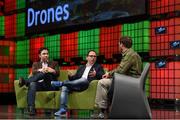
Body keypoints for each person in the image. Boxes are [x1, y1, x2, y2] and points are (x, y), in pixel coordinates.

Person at [93, 36, 142, 119]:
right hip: (130, 80)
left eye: (119, 44)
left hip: (129, 82)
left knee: (102, 82)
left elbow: (120, 70)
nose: (118, 46)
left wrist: (108, 74)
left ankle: (101, 110)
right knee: (107, 82)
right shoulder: (131, 53)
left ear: (122, 45)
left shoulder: (130, 55)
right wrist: (110, 74)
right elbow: (121, 69)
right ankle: (104, 108)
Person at [51, 50, 105, 116]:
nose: (93, 58)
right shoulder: (81, 67)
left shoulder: (98, 67)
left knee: (83, 80)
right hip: (77, 85)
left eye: (94, 56)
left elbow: (103, 76)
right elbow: (75, 78)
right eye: (91, 56)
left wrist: (96, 74)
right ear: (87, 57)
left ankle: (62, 83)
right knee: (65, 87)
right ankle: (63, 110)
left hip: (87, 85)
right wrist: (70, 76)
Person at [18, 47, 59, 115]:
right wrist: (40, 70)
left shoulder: (54, 63)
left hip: (50, 84)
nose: (46, 55)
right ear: (39, 55)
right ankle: (31, 108)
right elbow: (33, 72)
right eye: (44, 54)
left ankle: (25, 81)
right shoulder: (35, 64)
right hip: (40, 85)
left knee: (45, 73)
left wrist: (52, 70)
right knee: (32, 84)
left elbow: (58, 73)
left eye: (47, 54)